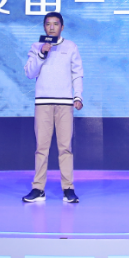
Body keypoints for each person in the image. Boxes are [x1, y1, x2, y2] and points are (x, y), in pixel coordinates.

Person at [22, 12, 83, 204]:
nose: (51, 27)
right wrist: (42, 53)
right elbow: (30, 73)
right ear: (44, 27)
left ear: (62, 27)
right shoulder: (36, 46)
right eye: (48, 24)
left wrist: (78, 96)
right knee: (41, 148)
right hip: (43, 102)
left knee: (65, 148)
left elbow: (77, 73)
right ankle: (38, 188)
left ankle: (68, 188)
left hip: (65, 103)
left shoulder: (71, 46)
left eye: (55, 24)